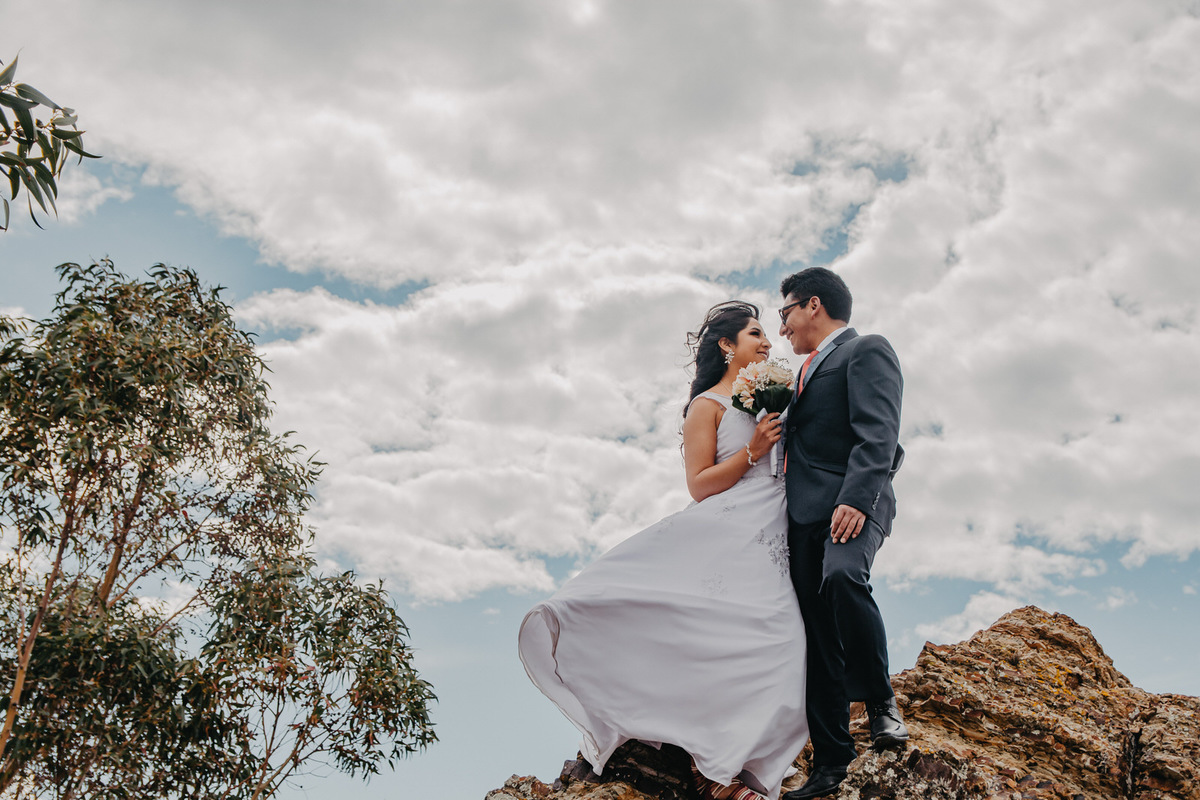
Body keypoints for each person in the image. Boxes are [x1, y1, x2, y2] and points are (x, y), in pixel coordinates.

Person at [518, 301, 809, 800]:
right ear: (726, 345)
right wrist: (753, 451)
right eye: (755, 333)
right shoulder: (706, 406)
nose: (767, 342)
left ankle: (737, 759)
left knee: (785, 645)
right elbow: (699, 484)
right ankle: (716, 770)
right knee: (724, 639)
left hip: (777, 531)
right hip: (729, 532)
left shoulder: (771, 401)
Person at [776, 268, 908, 800]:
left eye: (785, 313)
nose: (781, 327)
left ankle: (880, 703)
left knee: (844, 577)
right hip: (801, 517)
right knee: (817, 637)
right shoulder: (798, 376)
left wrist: (854, 498)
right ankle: (831, 762)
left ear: (813, 304)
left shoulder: (866, 349)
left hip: (855, 502)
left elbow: (880, 432)